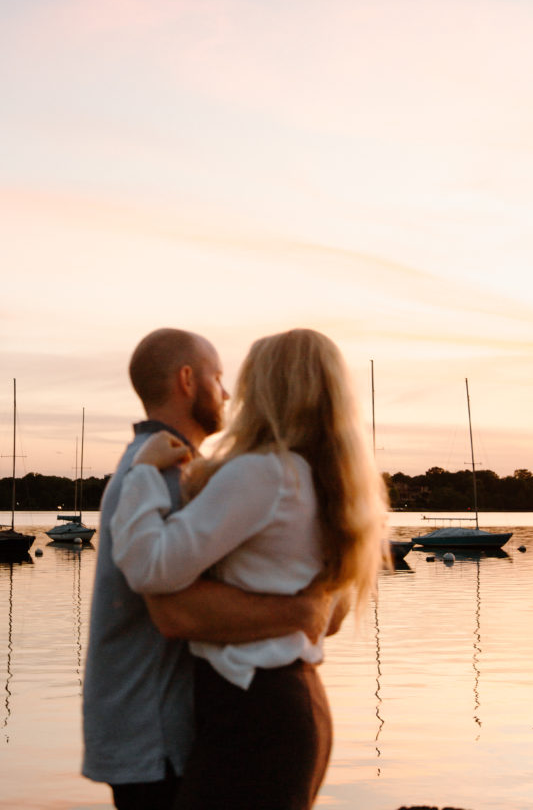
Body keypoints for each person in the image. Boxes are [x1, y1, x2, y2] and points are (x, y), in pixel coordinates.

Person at [112, 328, 389, 810]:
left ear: (271, 387)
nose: (233, 392)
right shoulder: (324, 480)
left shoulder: (264, 473)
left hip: (254, 715)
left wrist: (141, 474)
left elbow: (151, 569)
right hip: (292, 703)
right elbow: (334, 612)